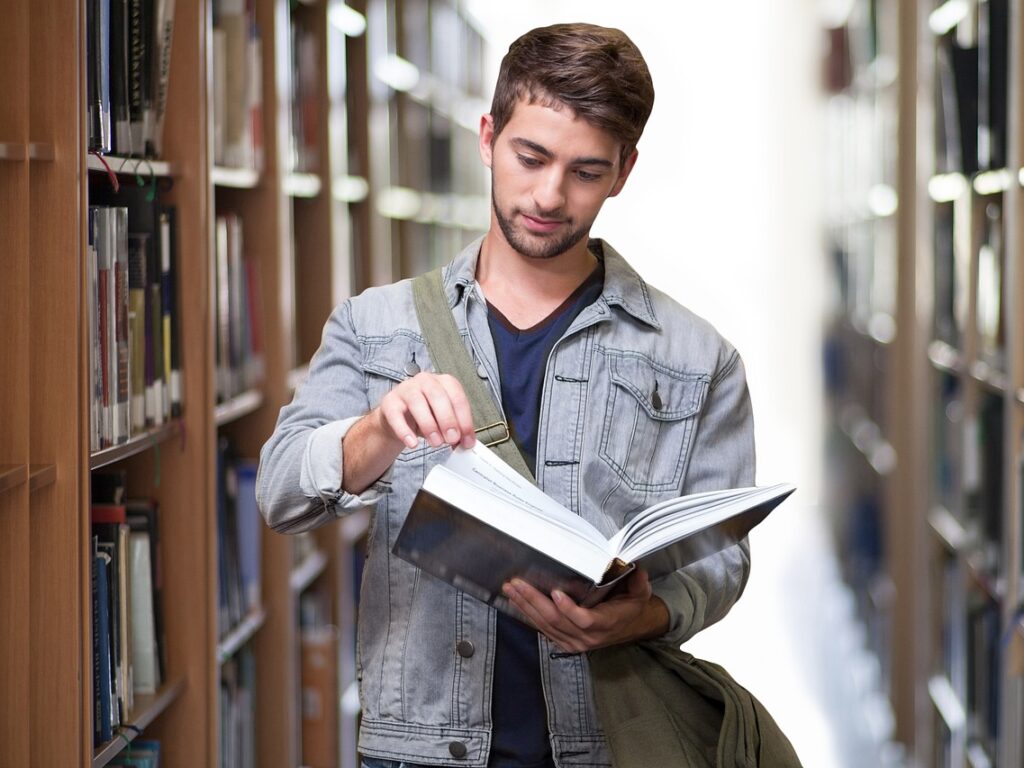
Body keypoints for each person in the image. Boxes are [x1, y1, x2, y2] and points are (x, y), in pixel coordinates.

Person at [257, 22, 755, 768]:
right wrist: (377, 431)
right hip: (418, 751)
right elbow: (280, 492)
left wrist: (646, 615)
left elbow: (723, 560)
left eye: (586, 171)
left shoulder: (696, 358)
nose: (550, 195)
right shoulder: (376, 327)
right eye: (531, 157)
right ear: (488, 136)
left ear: (624, 170)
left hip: (608, 746)